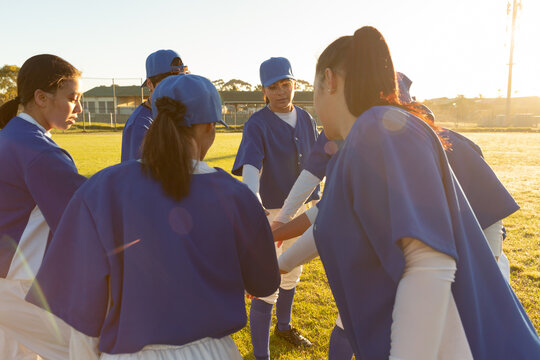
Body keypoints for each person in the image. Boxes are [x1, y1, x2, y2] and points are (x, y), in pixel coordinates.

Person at [280, 26, 540, 359]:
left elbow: (429, 263)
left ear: (329, 80)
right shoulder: (357, 145)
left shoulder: (382, 128)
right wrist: (280, 265)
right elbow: (327, 226)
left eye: (313, 90)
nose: (314, 106)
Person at [25, 74, 281, 359]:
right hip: (214, 350)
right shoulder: (236, 194)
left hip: (128, 352)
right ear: (210, 127)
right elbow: (265, 283)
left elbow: (81, 306)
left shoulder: (102, 187)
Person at [0, 54, 87, 360]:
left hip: (10, 285)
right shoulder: (37, 149)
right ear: (41, 97)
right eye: (72, 98)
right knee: (92, 349)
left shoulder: (9, 136)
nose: (78, 108)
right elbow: (86, 222)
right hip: (18, 285)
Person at [231, 57, 319, 359]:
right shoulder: (257, 122)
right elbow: (251, 167)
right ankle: (261, 354)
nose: (282, 91)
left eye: (286, 84)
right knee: (268, 283)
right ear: (264, 91)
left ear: (295, 83)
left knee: (293, 271)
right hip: (270, 213)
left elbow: (318, 162)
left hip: (302, 211)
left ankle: (284, 327)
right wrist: (255, 205)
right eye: (274, 86)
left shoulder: (306, 118)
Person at [121, 49, 188, 162]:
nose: (175, 87)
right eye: (168, 81)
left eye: (179, 80)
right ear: (149, 84)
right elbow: (138, 175)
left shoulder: (172, 113)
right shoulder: (141, 124)